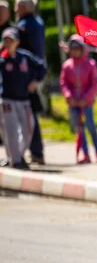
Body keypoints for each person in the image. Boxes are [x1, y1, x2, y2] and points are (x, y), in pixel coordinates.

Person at [0, 28, 46, 169]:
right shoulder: (2, 59)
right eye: (6, 41)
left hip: (24, 99)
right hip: (7, 100)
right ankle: (16, 161)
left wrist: (36, 81)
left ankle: (18, 155)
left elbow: (42, 67)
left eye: (11, 41)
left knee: (28, 128)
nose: (9, 44)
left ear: (17, 42)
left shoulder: (24, 57)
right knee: (11, 130)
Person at [59, 34, 97, 164]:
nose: (75, 51)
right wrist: (69, 96)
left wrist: (87, 98)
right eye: (73, 49)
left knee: (91, 127)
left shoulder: (90, 64)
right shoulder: (67, 66)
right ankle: (85, 154)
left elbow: (94, 83)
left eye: (78, 48)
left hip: (86, 103)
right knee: (80, 129)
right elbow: (63, 82)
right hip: (74, 103)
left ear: (83, 49)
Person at [14, 0, 46, 165]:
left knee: (27, 115)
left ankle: (35, 151)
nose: (15, 10)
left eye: (17, 6)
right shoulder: (39, 22)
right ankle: (36, 151)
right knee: (31, 114)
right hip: (35, 74)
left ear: (24, 7)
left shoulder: (24, 25)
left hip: (26, 76)